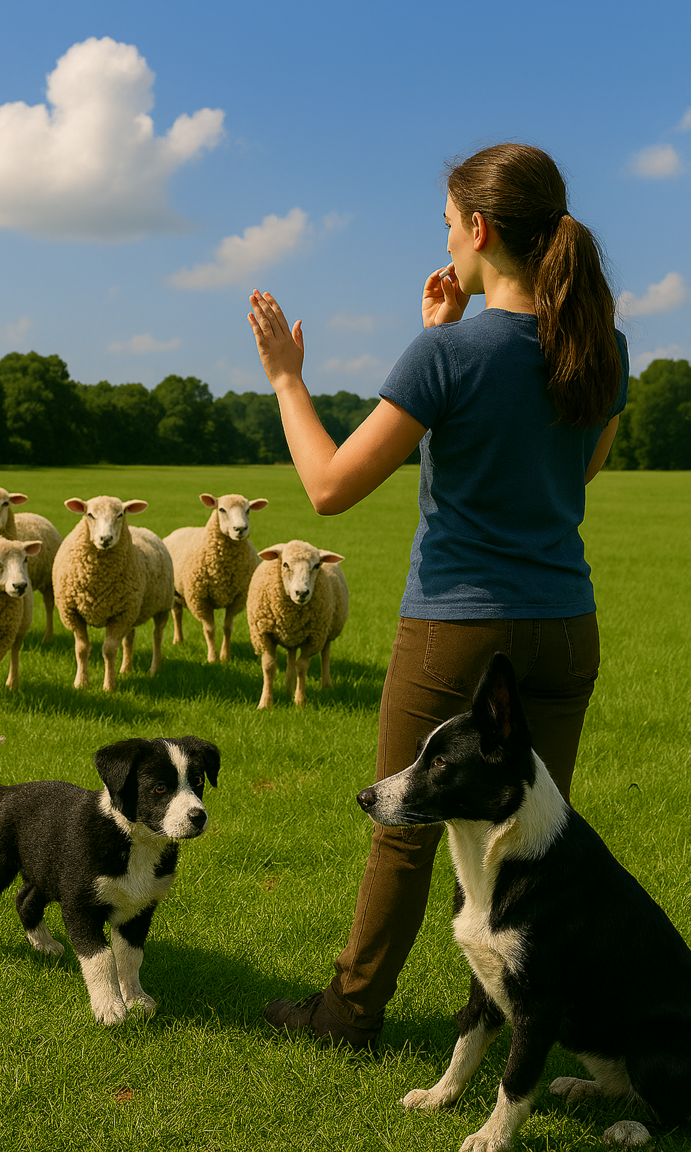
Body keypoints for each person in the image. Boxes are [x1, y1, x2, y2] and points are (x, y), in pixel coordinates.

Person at [247, 142, 629, 1050]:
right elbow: (583, 469)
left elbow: (331, 486)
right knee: (526, 841)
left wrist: (286, 379)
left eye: (450, 225)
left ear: (481, 230)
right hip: (566, 629)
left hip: (458, 627)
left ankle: (347, 1014)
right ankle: (494, 1018)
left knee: (404, 831)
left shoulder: (446, 355)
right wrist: (449, 333)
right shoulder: (602, 345)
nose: (447, 238)